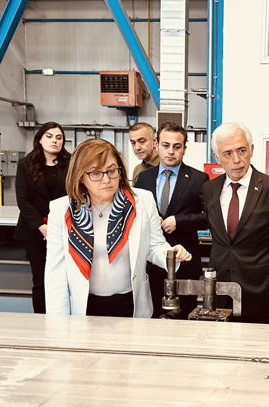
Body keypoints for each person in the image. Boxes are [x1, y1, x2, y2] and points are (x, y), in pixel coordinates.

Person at [45, 139, 191, 317]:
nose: (107, 180)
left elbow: (155, 246)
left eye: (112, 170)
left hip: (130, 302)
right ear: (80, 176)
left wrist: (170, 255)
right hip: (82, 306)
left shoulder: (142, 201)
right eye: (96, 173)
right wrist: (58, 323)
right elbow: (55, 272)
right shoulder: (62, 210)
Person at [202, 122, 269, 324]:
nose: (236, 160)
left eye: (241, 150)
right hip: (218, 292)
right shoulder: (209, 189)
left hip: (257, 292)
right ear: (217, 158)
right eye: (227, 153)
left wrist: (262, 271)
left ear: (251, 150)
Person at [135, 121, 209, 318]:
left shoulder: (198, 179)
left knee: (184, 319)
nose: (171, 151)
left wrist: (180, 221)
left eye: (177, 146)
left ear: (184, 148)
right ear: (156, 144)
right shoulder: (143, 178)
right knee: (150, 318)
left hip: (184, 263)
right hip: (150, 264)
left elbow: (209, 217)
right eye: (166, 145)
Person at [15, 122, 71, 314]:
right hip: (34, 231)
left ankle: (64, 317)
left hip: (65, 229)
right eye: (49, 136)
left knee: (64, 278)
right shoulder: (25, 164)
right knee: (40, 278)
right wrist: (42, 227)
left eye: (59, 137)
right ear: (39, 139)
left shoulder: (71, 163)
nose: (54, 141)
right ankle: (42, 319)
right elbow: (23, 200)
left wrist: (58, 226)